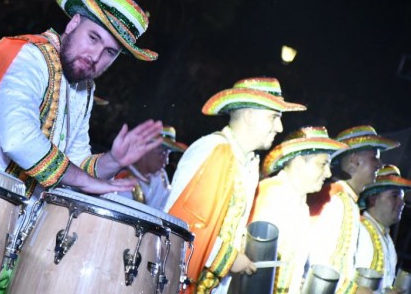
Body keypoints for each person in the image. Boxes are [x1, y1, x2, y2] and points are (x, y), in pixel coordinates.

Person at [0, 0, 165, 198]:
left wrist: (113, 161)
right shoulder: (30, 55)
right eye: (93, 38)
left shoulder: (84, 87)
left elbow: (76, 162)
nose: (96, 56)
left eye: (110, 52)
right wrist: (86, 182)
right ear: (73, 24)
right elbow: (18, 139)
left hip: (18, 212)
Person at [164, 77, 306, 293]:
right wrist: (231, 258)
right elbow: (184, 225)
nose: (280, 127)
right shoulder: (215, 149)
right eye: (274, 117)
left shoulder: (247, 163)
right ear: (249, 115)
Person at [250, 126, 346, 293]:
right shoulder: (272, 196)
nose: (328, 173)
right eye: (323, 164)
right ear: (299, 162)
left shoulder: (299, 204)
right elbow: (254, 271)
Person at [307, 125, 399, 294]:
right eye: (374, 158)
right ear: (354, 161)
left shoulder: (345, 200)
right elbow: (321, 265)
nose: (379, 164)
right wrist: (354, 290)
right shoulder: (335, 200)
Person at [356, 164, 411, 292]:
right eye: (394, 196)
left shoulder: (385, 238)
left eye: (402, 197)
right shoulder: (360, 230)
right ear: (373, 198)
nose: (402, 202)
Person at [115, 125, 187, 211]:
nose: (166, 161)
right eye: (162, 153)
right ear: (144, 149)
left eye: (168, 154)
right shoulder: (124, 183)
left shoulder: (161, 176)